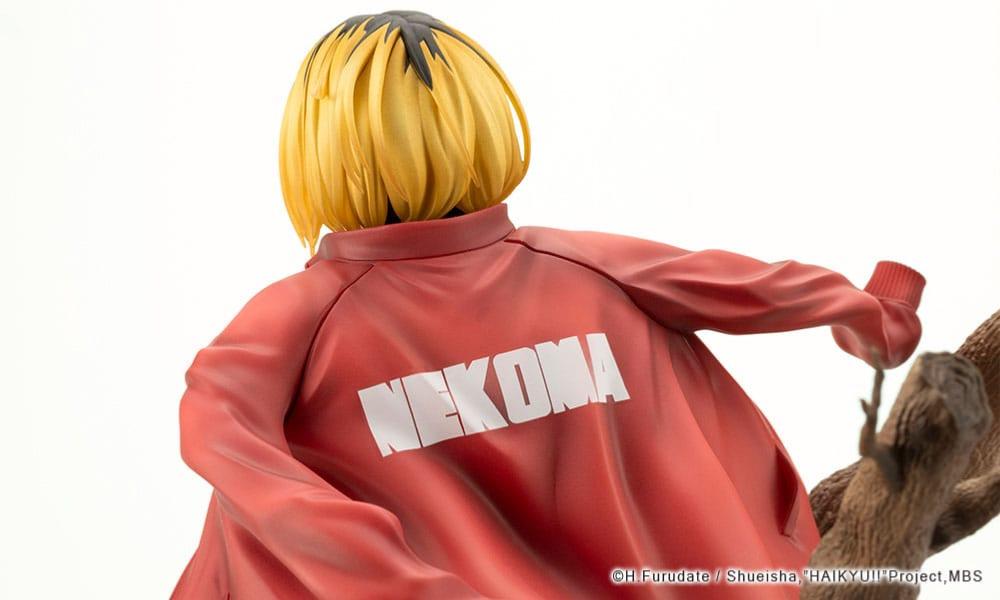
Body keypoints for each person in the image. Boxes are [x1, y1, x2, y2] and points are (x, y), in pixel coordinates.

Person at [171, 11, 925, 599]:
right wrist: (877, 316)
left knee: (250, 510)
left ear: (315, 151)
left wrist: (404, 583)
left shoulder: (300, 318)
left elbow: (221, 437)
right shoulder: (586, 266)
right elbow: (754, 286)